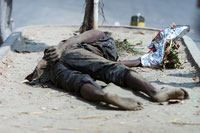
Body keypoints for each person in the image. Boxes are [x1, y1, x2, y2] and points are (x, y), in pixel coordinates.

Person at [26, 30, 189, 111]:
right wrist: (62, 48)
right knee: (112, 69)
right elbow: (75, 39)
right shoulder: (101, 37)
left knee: (78, 81)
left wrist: (142, 60)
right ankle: (153, 91)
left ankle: (104, 95)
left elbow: (118, 64)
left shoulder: (101, 54)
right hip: (68, 54)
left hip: (53, 70)